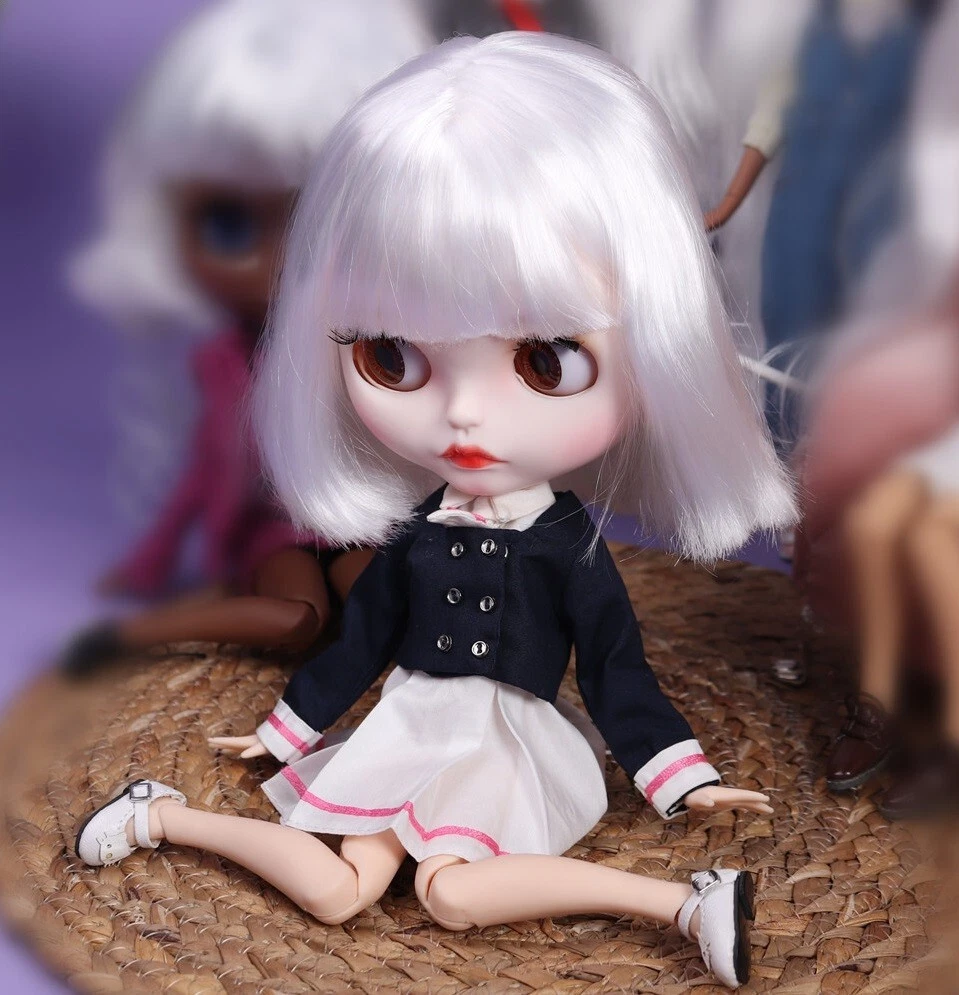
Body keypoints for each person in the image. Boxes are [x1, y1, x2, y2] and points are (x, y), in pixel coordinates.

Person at [75, 34, 796, 988]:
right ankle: (159, 814)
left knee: (451, 893)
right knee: (341, 890)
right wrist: (286, 731)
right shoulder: (417, 536)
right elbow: (361, 639)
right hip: (406, 730)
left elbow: (614, 667)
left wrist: (680, 772)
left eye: (544, 361)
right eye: (392, 356)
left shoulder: (566, 546)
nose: (461, 415)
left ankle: (685, 902)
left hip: (507, 741)